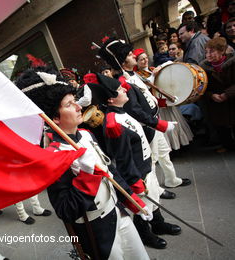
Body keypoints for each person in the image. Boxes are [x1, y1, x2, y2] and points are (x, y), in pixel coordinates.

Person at [17, 66, 150, 259]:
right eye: (70, 104)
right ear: (54, 118)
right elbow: (66, 211)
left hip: (118, 213)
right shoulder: (53, 155)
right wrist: (87, 175)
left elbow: (110, 172)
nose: (79, 106)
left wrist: (133, 201)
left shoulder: (87, 135)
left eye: (75, 101)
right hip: (97, 230)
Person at [86, 73, 182, 250]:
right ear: (111, 99)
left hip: (145, 166)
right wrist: (134, 181)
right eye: (119, 90)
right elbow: (122, 158)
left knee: (153, 195)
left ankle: (158, 223)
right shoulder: (113, 123)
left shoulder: (122, 111)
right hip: (137, 173)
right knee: (142, 206)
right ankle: (145, 234)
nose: (124, 88)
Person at [98, 37, 191, 190]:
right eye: (129, 55)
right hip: (146, 126)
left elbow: (146, 97)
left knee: (163, 153)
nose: (134, 55)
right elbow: (134, 110)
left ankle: (171, 180)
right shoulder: (122, 81)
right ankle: (156, 190)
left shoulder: (133, 74)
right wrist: (159, 124)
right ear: (121, 61)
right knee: (150, 160)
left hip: (153, 120)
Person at [134, 48, 194, 151]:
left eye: (146, 58)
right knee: (165, 126)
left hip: (166, 100)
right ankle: (171, 149)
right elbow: (148, 85)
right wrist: (154, 75)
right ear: (137, 62)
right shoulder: (137, 76)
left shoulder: (153, 69)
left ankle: (181, 144)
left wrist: (160, 67)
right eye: (141, 59)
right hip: (157, 104)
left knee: (175, 122)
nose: (145, 61)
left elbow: (170, 62)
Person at [199, 37, 235, 152]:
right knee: (221, 127)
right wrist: (211, 95)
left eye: (212, 51)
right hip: (217, 102)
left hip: (232, 99)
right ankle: (227, 146)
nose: (208, 55)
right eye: (206, 52)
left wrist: (227, 94)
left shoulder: (232, 63)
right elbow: (202, 87)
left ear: (222, 51)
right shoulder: (203, 68)